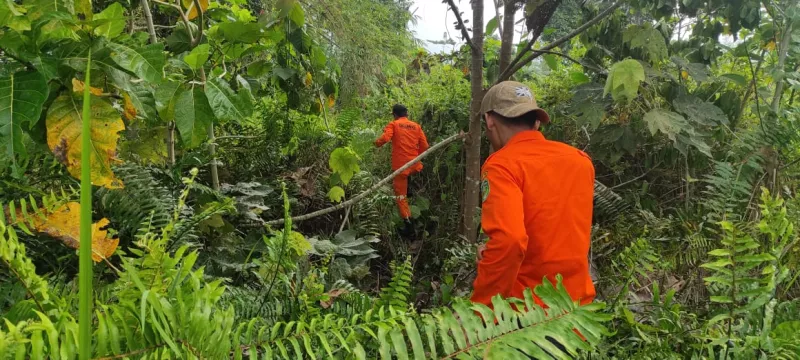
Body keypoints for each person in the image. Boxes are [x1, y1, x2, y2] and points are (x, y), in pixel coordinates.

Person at [471, 81, 596, 309]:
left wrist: (481, 312)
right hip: (579, 310)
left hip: (529, 318)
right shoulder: (580, 161)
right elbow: (554, 232)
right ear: (537, 122)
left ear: (489, 120)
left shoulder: (503, 165)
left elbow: (510, 241)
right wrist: (493, 252)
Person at [375, 104, 429, 235]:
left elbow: (386, 138)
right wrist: (416, 157)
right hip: (414, 165)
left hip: (401, 168)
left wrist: (375, 143)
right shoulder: (416, 126)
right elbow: (425, 146)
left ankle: (409, 228)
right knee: (407, 179)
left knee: (400, 197)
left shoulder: (393, 124)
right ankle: (409, 189)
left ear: (394, 114)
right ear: (406, 114)